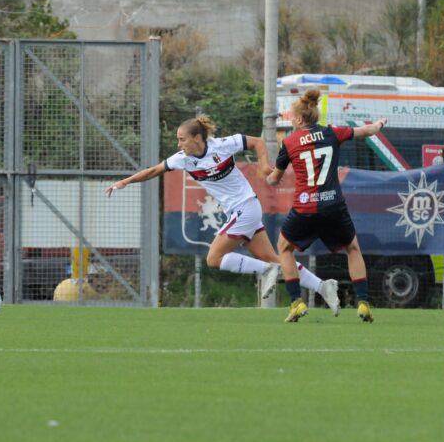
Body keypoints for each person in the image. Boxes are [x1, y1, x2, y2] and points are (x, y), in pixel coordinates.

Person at [106, 115, 340, 311]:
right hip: (242, 211)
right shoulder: (183, 160)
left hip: (245, 208)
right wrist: (125, 182)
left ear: (197, 138)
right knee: (275, 259)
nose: (179, 145)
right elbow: (154, 170)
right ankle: (323, 286)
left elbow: (258, 142)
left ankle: (268, 271)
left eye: (182, 139)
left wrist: (262, 164)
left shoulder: (222, 145)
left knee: (214, 259)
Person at [266, 89, 386, 323]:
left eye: (292, 116)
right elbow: (367, 131)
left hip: (305, 208)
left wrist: (268, 175)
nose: (290, 119)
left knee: (284, 248)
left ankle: (296, 303)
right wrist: (379, 124)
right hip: (333, 205)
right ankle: (362, 302)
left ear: (300, 119)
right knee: (352, 249)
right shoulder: (333, 132)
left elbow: (274, 179)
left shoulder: (289, 143)